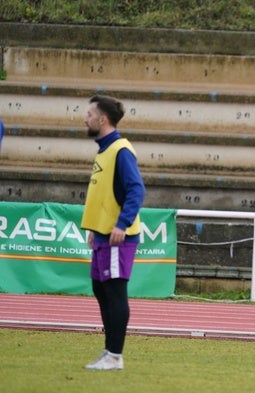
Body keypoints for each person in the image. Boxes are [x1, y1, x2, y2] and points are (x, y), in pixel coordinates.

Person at [81, 95, 145, 370]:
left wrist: (121, 223)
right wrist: (96, 227)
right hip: (103, 235)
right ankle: (109, 352)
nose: (86, 119)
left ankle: (115, 356)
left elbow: (136, 190)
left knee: (115, 293)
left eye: (89, 114)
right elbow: (105, 194)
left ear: (102, 119)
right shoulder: (105, 150)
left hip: (119, 236)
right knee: (101, 289)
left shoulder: (121, 149)